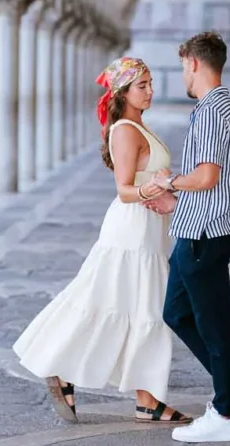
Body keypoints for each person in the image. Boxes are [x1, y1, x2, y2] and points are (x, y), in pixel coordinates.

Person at [12, 56, 189, 425]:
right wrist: (156, 187)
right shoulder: (126, 129)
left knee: (139, 307)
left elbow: (143, 179)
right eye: (142, 86)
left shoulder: (140, 125)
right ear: (123, 92)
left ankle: (146, 399)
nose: (151, 91)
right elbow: (125, 191)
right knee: (128, 304)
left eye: (151, 83)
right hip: (131, 231)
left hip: (148, 229)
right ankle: (133, 394)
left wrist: (160, 184)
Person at [155, 31, 230, 444]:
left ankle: (224, 413)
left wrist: (172, 182)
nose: (183, 73)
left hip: (207, 231)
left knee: (214, 321)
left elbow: (206, 177)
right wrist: (175, 203)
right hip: (195, 224)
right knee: (177, 313)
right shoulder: (211, 109)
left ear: (196, 64)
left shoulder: (215, 111)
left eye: (184, 65)